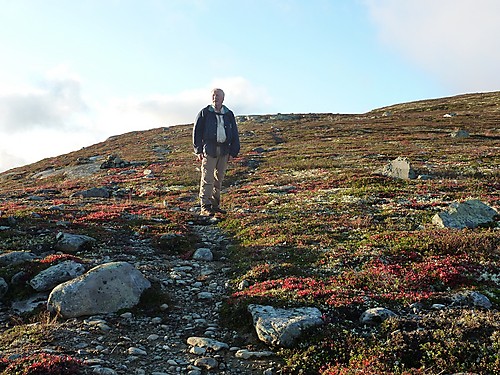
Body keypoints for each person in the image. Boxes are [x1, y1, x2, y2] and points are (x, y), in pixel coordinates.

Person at [193, 88, 240, 216]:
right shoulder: (205, 113)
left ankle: (215, 204)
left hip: (224, 150)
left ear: (223, 98)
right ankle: (205, 206)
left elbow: (234, 132)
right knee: (207, 178)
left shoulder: (228, 114)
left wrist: (234, 151)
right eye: (213, 95)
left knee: (218, 179)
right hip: (209, 149)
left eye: (218, 95)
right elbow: (197, 132)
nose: (215, 97)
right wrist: (198, 150)